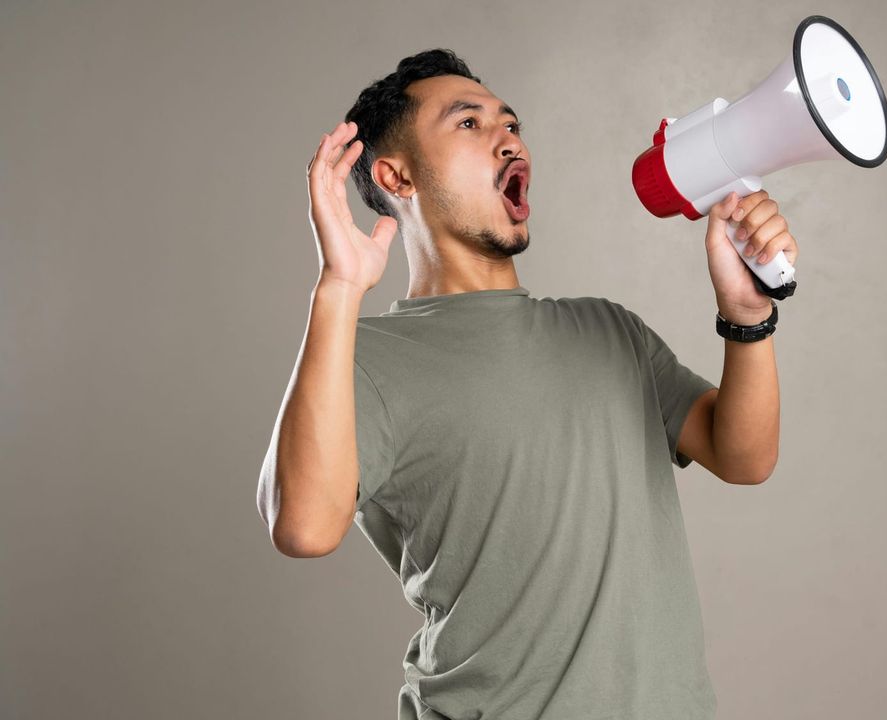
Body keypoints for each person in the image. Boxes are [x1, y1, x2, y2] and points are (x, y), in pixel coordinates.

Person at [256, 48, 797, 720]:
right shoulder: (358, 358)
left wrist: (747, 319)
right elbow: (304, 527)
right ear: (398, 175)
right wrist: (338, 288)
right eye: (469, 124)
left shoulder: (609, 332)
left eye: (511, 123)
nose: (508, 136)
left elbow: (745, 458)